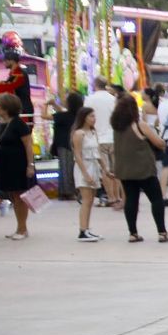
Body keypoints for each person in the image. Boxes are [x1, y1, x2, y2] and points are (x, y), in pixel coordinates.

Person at [110, 93, 168, 243]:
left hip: (125, 170)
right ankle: (162, 232)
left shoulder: (117, 127)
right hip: (143, 169)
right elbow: (159, 143)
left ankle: (132, 233)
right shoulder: (140, 125)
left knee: (131, 200)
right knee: (156, 199)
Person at [0, 93, 36, 240]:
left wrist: (30, 165)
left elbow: (28, 145)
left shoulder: (19, 124)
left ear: (6, 107)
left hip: (18, 164)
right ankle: (19, 227)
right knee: (12, 196)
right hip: (5, 165)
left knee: (20, 197)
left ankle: (23, 229)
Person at [86, 78, 121, 210]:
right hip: (113, 137)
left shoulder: (89, 99)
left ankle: (110, 197)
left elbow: (85, 116)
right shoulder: (113, 99)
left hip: (98, 138)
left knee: (105, 169)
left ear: (95, 85)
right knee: (116, 168)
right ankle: (118, 196)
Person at [71, 106, 103, 241]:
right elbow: (77, 155)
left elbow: (99, 153)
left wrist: (105, 169)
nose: (94, 119)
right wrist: (85, 174)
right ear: (84, 118)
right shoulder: (79, 134)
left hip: (94, 166)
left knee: (91, 200)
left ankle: (87, 228)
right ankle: (82, 230)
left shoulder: (93, 132)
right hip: (84, 167)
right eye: (91, 116)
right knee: (86, 199)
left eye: (94, 116)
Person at [48, 90, 83, 202]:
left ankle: (67, 191)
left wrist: (46, 105)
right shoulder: (79, 115)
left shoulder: (62, 116)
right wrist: (54, 104)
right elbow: (61, 112)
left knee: (65, 168)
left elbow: (45, 116)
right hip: (77, 144)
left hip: (63, 144)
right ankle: (75, 190)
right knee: (74, 168)